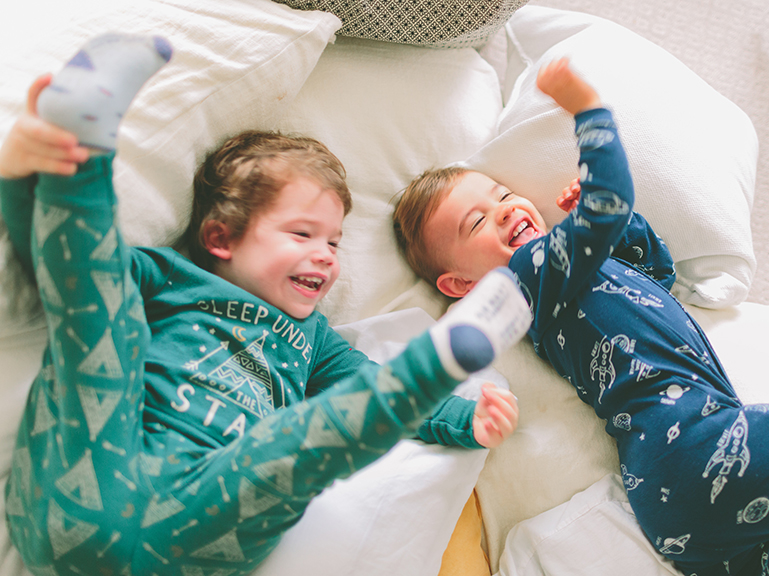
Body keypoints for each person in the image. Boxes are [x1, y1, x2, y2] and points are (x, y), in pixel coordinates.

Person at [0, 34, 531, 576]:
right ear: (221, 238)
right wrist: (20, 183)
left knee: (294, 448)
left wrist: (467, 420)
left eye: (333, 242)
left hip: (203, 526)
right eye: (302, 233)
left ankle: (431, 371)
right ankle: (75, 151)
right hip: (88, 485)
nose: (325, 257)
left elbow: (368, 377)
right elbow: (70, 274)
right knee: (100, 326)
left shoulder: (313, 339)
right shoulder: (169, 278)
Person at [392, 57, 769, 576]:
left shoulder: (567, 280)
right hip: (694, 445)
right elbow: (613, 198)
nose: (504, 209)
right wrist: (588, 112)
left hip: (672, 495)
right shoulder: (526, 276)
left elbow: (656, 277)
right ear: (462, 285)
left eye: (503, 195)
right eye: (477, 220)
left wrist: (614, 232)